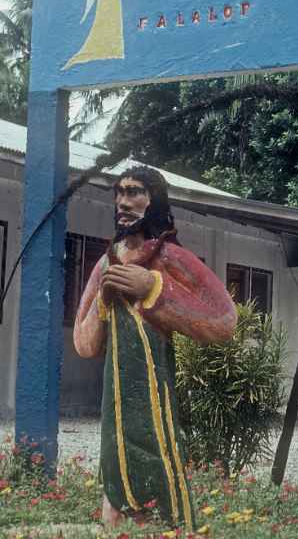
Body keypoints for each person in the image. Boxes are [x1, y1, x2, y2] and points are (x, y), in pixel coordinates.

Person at [73, 165, 237, 529]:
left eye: (134, 193)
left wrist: (153, 288)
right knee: (115, 468)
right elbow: (84, 344)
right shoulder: (106, 264)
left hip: (155, 399)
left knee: (160, 462)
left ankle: (173, 527)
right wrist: (104, 299)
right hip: (114, 405)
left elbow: (224, 319)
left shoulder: (172, 258)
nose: (124, 202)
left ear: (155, 200)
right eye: (119, 193)